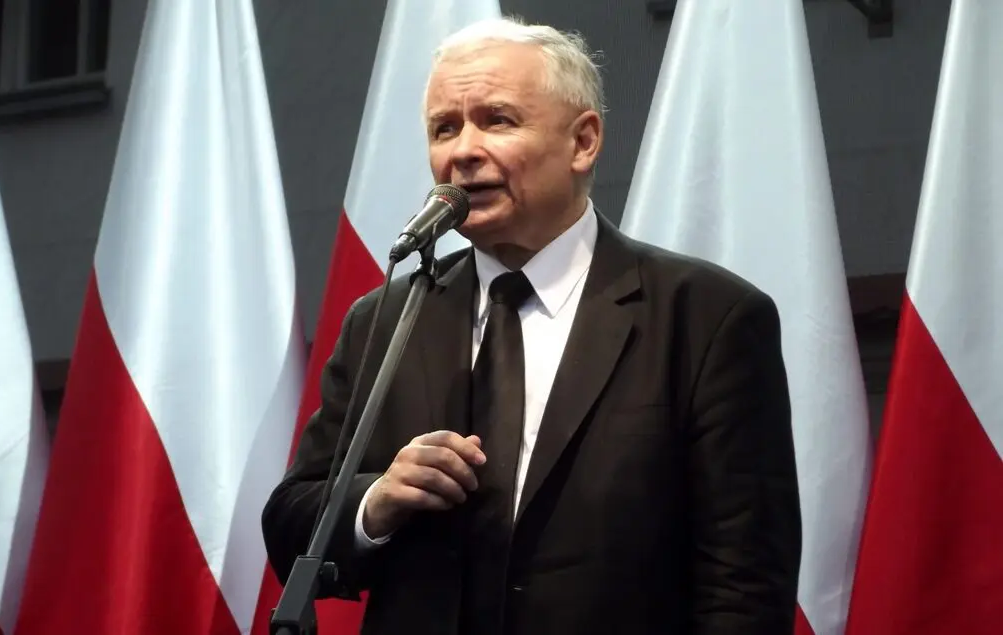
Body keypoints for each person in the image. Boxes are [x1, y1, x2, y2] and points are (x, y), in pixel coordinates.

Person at [262, 17, 801, 635]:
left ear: (583, 142)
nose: (462, 151)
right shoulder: (384, 320)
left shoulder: (706, 317)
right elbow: (291, 524)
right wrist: (374, 501)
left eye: (497, 120)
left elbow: (745, 586)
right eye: (444, 128)